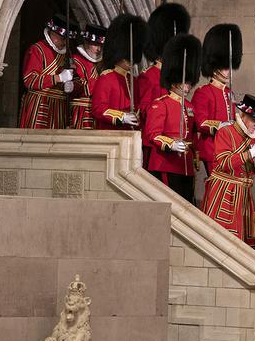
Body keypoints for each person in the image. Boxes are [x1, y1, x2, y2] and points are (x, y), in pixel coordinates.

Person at [201, 95, 255, 243]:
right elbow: (224, 162)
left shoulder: (253, 139)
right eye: (254, 120)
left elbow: (249, 169)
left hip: (244, 194)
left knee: (245, 241)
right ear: (243, 115)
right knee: (222, 237)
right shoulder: (226, 132)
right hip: (224, 192)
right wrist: (249, 154)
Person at [143, 34, 201, 203]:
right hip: (166, 163)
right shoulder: (161, 104)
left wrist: (195, 153)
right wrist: (171, 144)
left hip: (185, 165)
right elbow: (152, 134)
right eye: (185, 82)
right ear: (174, 81)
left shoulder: (189, 106)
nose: (188, 87)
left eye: (189, 83)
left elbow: (193, 134)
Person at [192, 23, 242, 176]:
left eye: (229, 67)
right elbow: (200, 122)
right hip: (213, 149)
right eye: (225, 67)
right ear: (214, 68)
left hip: (231, 150)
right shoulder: (203, 92)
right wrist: (222, 125)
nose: (228, 72)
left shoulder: (229, 93)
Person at [91, 13, 147, 130]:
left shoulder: (133, 80)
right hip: (111, 135)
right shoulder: (106, 78)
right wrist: (121, 117)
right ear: (119, 55)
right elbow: (98, 109)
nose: (131, 62)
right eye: (127, 58)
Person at [19, 13, 74, 129]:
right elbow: (29, 80)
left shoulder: (67, 53)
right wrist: (58, 78)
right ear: (52, 34)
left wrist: (70, 85)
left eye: (67, 39)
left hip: (59, 108)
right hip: (39, 105)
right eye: (62, 38)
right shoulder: (37, 49)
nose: (65, 42)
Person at [69, 22, 107, 129]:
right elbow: (77, 86)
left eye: (100, 45)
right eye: (95, 45)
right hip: (80, 111)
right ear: (86, 43)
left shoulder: (103, 63)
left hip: (98, 111)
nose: (98, 49)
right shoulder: (75, 60)